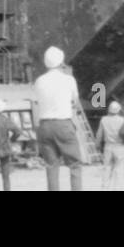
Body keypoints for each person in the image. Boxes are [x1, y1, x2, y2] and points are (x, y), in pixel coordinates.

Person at [33, 45, 83, 191]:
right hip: (63, 124)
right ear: (61, 62)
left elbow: (36, 102)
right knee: (74, 164)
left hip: (45, 126)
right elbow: (75, 101)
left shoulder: (39, 81)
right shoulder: (69, 80)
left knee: (51, 165)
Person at [95, 101, 124, 189]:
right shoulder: (123, 120)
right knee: (119, 168)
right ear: (118, 110)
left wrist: (97, 144)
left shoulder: (104, 119)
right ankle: (116, 188)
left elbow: (99, 134)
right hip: (120, 146)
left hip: (108, 146)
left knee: (107, 168)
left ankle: (105, 187)